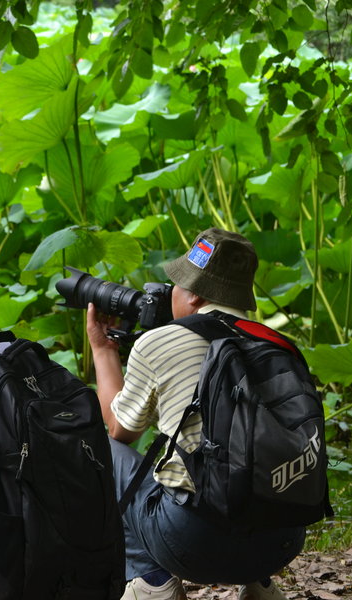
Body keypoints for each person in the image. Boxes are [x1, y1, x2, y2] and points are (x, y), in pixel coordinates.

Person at [86, 228, 306, 600]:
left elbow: (117, 431)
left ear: (193, 294)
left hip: (193, 543)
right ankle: (260, 585)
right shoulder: (281, 346)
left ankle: (152, 581)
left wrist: (103, 350)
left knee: (101, 450)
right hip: (282, 541)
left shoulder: (158, 342)